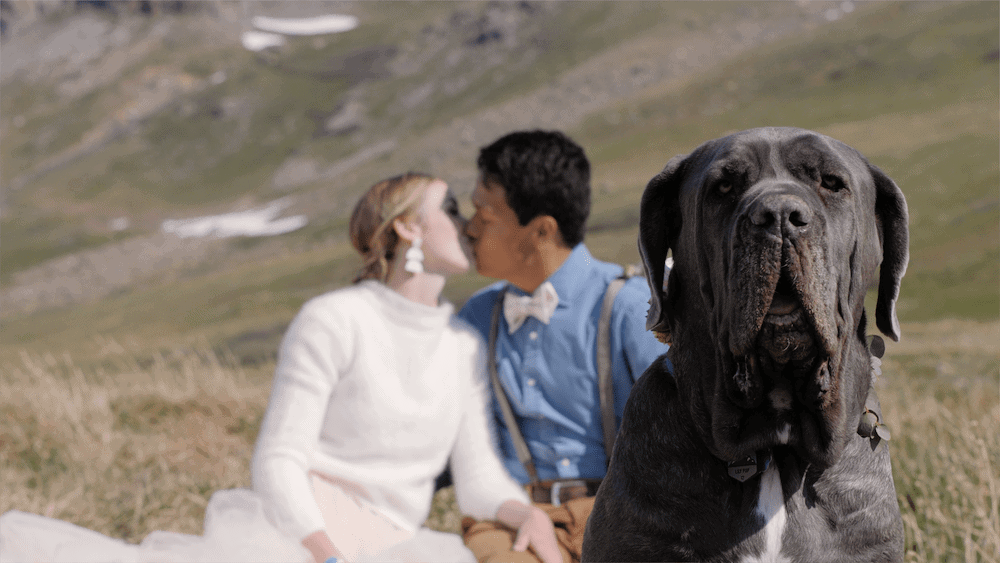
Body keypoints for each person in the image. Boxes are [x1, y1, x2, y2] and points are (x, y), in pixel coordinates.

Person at [0, 173, 562, 563]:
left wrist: (523, 515)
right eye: (450, 209)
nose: (466, 224)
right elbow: (278, 459)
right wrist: (326, 554)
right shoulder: (335, 319)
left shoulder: (459, 345)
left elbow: (477, 477)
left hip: (399, 543)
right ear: (408, 228)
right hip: (298, 540)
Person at [455, 131, 671, 563]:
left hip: (627, 513)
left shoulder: (630, 307)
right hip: (511, 521)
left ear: (540, 231)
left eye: (484, 213)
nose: (469, 228)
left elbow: (681, 438)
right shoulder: (476, 317)